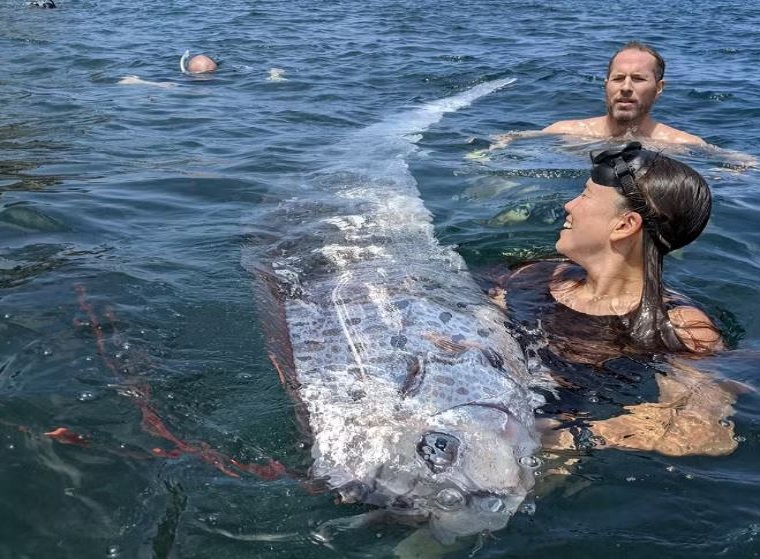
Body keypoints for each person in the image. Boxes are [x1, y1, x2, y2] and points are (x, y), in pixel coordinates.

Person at [490, 141, 738, 457]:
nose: (569, 205)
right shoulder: (536, 275)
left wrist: (564, 436)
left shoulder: (680, 326)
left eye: (584, 195)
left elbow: (701, 432)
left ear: (624, 225)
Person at [542, 42, 705, 145]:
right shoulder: (563, 133)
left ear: (659, 88)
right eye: (618, 78)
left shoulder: (681, 145)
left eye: (638, 79)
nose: (626, 87)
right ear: (606, 86)